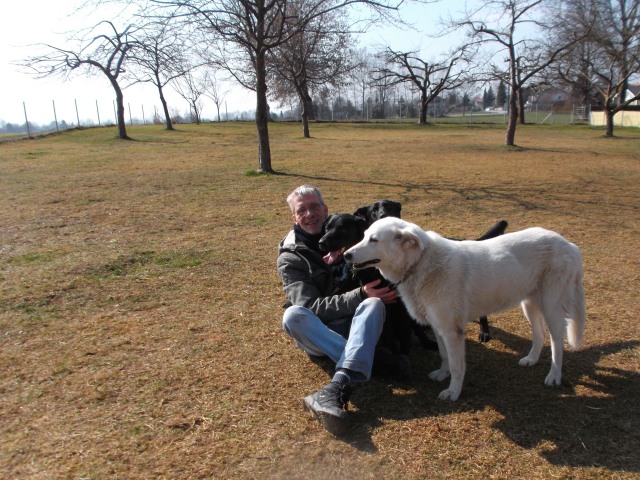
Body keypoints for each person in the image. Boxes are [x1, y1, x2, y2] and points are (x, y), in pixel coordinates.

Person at [276, 185, 402, 436]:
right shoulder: (290, 257)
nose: (309, 213)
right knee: (293, 315)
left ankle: (336, 385)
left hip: (356, 324)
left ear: (325, 209)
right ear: (294, 217)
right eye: (302, 210)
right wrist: (360, 294)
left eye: (314, 207)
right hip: (321, 332)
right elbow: (309, 307)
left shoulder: (349, 234)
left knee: (374, 303)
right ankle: (369, 361)